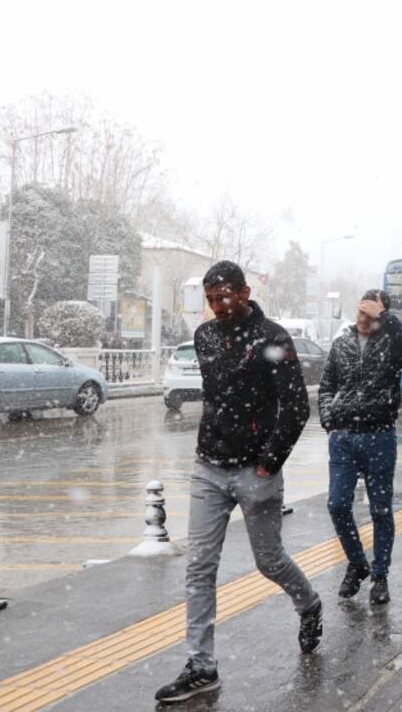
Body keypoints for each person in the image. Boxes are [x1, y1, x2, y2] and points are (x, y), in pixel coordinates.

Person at [156, 262, 320, 704]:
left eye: (225, 297)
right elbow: (217, 396)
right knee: (199, 566)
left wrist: (267, 464)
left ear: (245, 292)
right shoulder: (204, 336)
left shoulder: (273, 338)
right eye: (211, 300)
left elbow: (296, 407)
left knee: (268, 561)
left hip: (255, 470)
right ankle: (201, 666)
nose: (218, 307)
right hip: (208, 467)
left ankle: (308, 603)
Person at [319, 290, 402, 607]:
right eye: (359, 311)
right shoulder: (341, 344)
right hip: (344, 438)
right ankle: (357, 563)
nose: (362, 318)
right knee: (337, 504)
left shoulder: (393, 345)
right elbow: (326, 386)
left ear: (381, 315)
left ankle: (380, 576)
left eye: (370, 313)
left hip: (380, 436)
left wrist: (386, 317)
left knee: (380, 510)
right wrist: (329, 419)